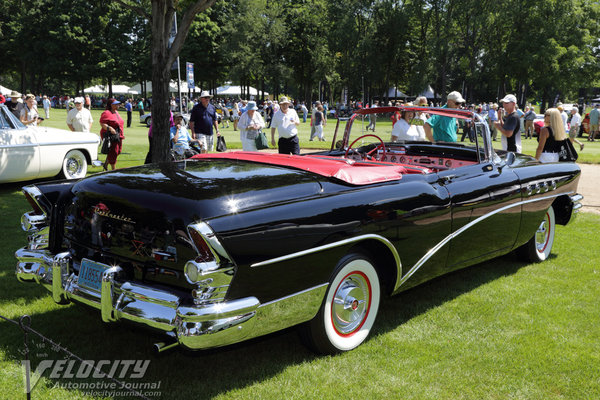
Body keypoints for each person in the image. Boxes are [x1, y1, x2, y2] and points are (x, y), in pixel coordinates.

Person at [99, 99, 125, 170]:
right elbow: (102, 123)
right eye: (116, 104)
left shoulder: (116, 112)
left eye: (118, 104)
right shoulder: (106, 113)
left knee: (118, 151)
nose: (118, 105)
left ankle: (105, 164)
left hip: (118, 134)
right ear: (111, 105)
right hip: (110, 135)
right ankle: (113, 169)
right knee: (114, 151)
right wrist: (110, 128)